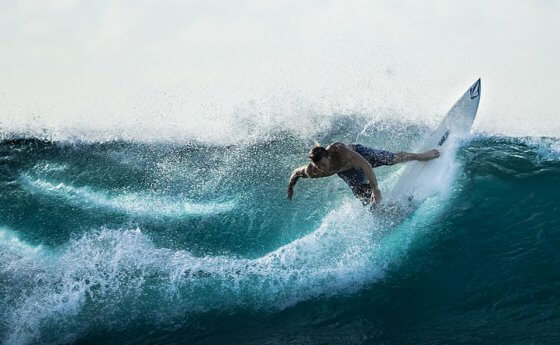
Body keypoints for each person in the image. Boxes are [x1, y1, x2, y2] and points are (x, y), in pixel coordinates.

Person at [287, 142, 440, 204]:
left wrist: (375, 188)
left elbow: (366, 166)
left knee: (390, 159)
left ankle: (420, 156)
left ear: (328, 155)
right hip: (347, 173)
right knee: (364, 198)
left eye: (323, 164)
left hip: (360, 156)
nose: (322, 168)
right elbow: (296, 173)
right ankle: (385, 212)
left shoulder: (340, 151)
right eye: (318, 166)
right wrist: (290, 188)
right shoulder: (314, 171)